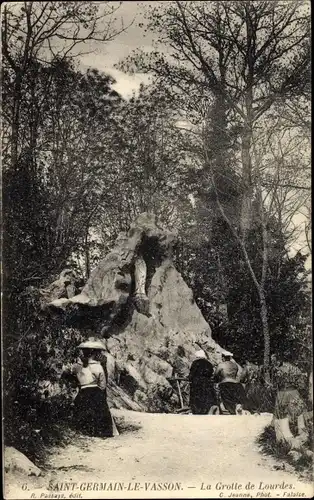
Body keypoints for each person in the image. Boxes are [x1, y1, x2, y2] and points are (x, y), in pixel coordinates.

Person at [63, 340, 113, 437]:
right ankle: (101, 432)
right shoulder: (98, 367)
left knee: (81, 409)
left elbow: (67, 373)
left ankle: (83, 430)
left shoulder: (77, 366)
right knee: (99, 410)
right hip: (95, 391)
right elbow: (103, 385)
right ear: (94, 354)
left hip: (83, 391)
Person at [214, 349, 249, 415]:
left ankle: (230, 410)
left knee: (227, 400)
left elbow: (216, 374)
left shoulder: (221, 365)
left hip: (225, 383)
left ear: (223, 357)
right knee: (235, 398)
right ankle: (238, 407)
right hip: (236, 383)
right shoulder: (235, 365)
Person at [189, 350, 217, 415]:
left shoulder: (195, 363)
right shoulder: (209, 364)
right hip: (207, 382)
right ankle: (205, 411)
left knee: (197, 397)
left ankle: (197, 411)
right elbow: (211, 373)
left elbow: (192, 373)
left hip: (197, 382)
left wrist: (190, 379)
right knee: (205, 397)